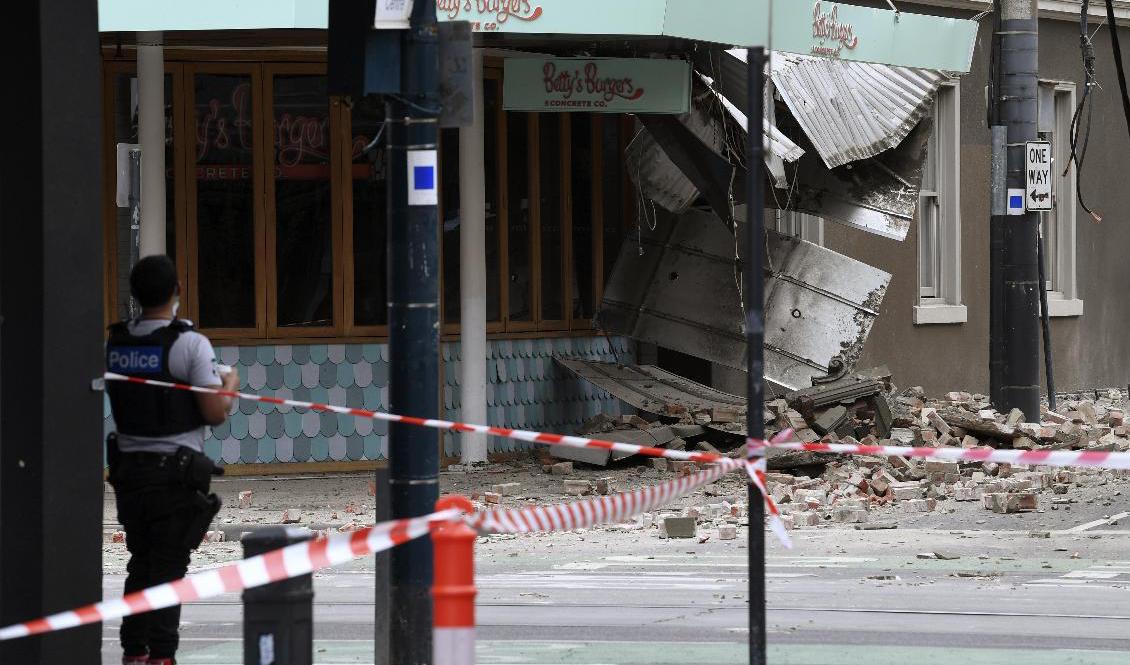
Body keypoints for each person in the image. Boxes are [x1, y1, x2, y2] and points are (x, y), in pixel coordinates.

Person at [105, 255, 239, 665]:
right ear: (176, 291)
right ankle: (162, 655)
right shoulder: (189, 344)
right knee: (167, 570)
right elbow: (214, 413)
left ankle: (134, 651)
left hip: (129, 475)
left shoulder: (118, 342)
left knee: (141, 563)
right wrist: (229, 385)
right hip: (173, 478)